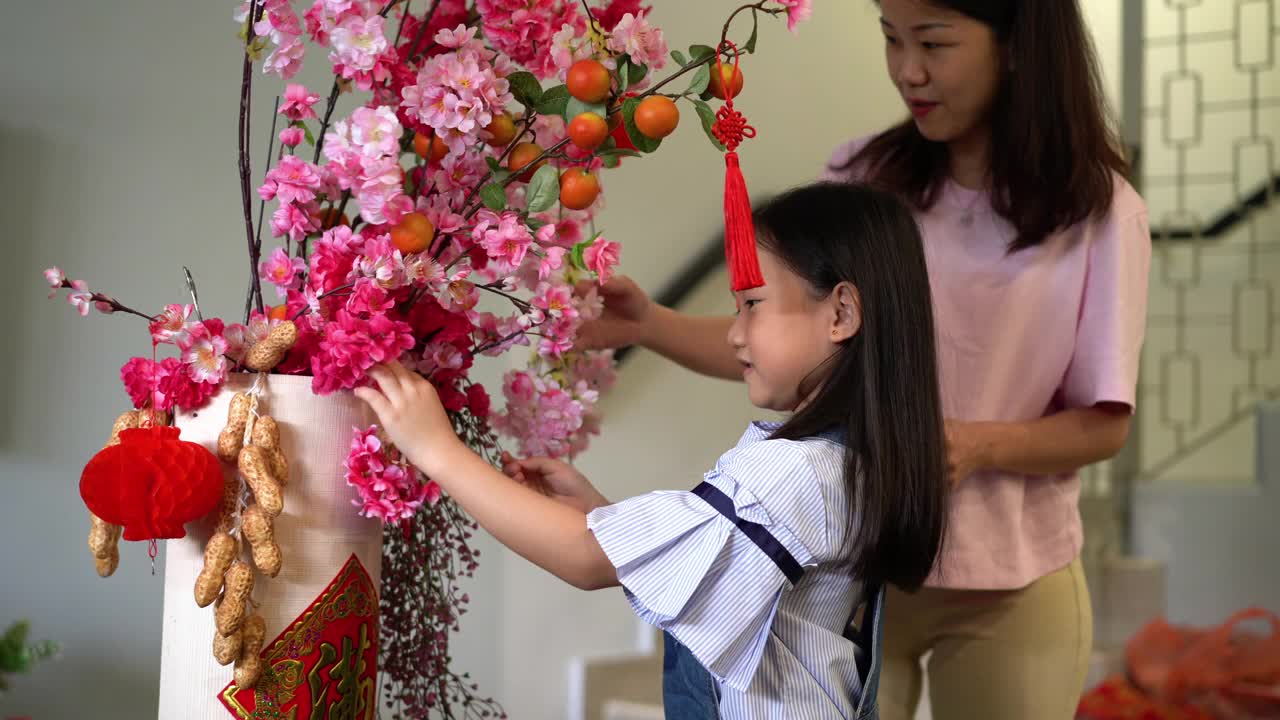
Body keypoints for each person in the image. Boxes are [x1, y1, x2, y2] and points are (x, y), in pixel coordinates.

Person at [573, 1, 1153, 718]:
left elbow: (1104, 423)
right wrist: (651, 325)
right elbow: (784, 344)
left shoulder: (1099, 210)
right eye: (890, 39)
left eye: (934, 43)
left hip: (1014, 582)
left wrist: (976, 446)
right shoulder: (864, 174)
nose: (908, 70)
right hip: (859, 579)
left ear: (1016, 45)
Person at [356, 182, 951, 718]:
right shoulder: (843, 461)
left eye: (752, 303)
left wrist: (436, 450)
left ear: (842, 312)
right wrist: (604, 520)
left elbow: (588, 561)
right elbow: (695, 569)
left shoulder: (793, 471)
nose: (734, 332)